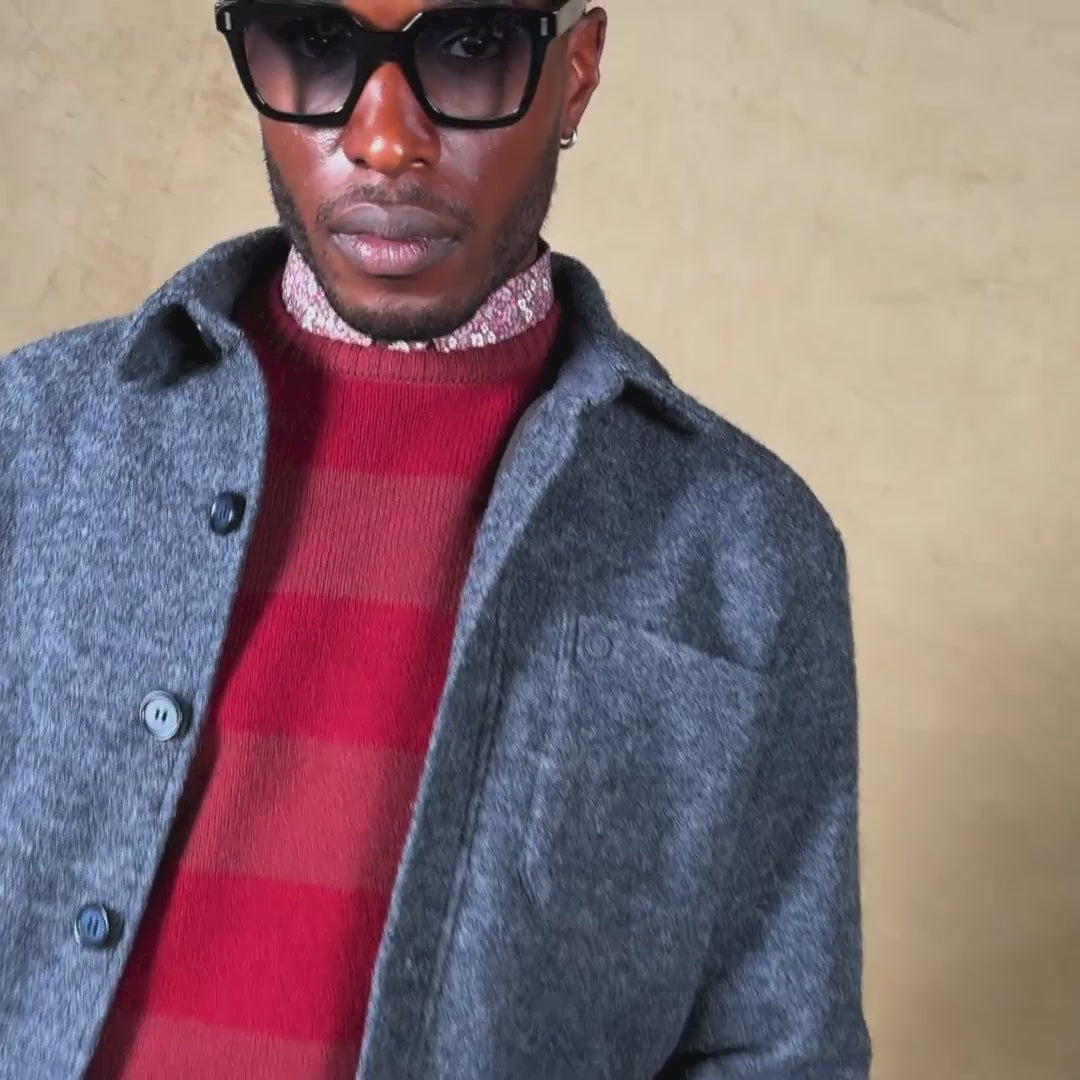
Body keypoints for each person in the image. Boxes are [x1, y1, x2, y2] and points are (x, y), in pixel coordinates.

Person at [0, 1, 872, 1077]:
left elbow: (777, 1049)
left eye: (468, 48)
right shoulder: (31, 437)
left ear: (577, 73)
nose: (383, 141)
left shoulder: (747, 549)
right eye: (316, 43)